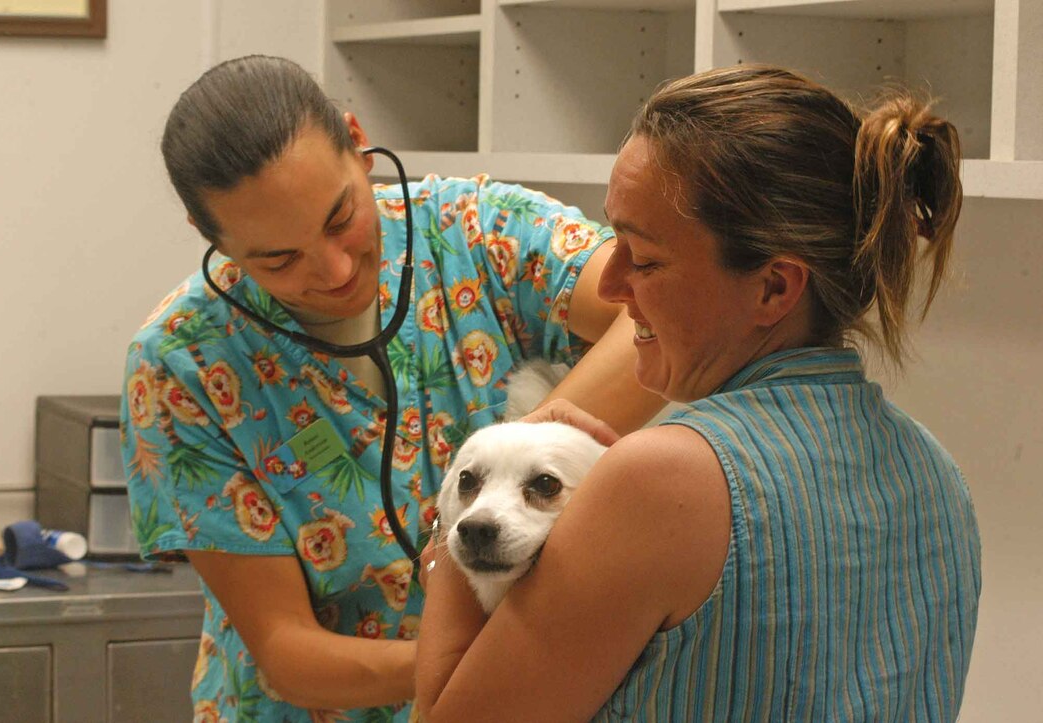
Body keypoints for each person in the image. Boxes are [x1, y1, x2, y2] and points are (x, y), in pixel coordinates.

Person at [417, 64, 983, 721]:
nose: (611, 286)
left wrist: (462, 510)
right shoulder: (941, 474)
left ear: (773, 287)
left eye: (645, 258)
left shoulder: (660, 480)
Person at [120, 55, 662, 722]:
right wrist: (477, 655)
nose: (335, 268)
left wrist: (541, 442)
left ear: (357, 142)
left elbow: (653, 305)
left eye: (339, 216)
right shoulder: (182, 361)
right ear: (213, 239)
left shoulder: (475, 228)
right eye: (278, 258)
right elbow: (288, 653)